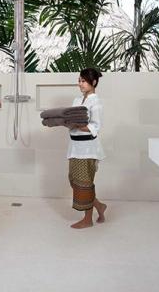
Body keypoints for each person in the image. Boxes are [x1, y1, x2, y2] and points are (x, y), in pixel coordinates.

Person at [66, 68, 106, 229]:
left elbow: (95, 126)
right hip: (74, 147)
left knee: (85, 183)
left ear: (93, 82)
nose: (80, 84)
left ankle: (87, 219)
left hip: (88, 149)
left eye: (83, 81)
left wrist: (77, 125)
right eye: (79, 80)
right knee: (74, 181)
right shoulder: (77, 100)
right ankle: (99, 206)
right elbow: (72, 121)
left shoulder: (95, 102)